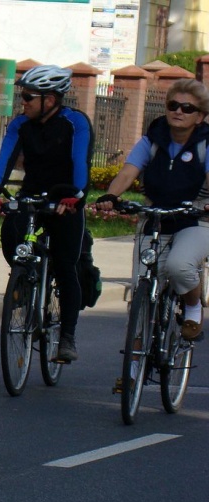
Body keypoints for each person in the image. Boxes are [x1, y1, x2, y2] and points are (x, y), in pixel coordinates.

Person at [0, 64, 94, 362]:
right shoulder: (20, 124)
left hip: (65, 199)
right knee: (11, 235)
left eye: (29, 97)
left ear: (51, 99)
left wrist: (75, 195)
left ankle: (67, 337)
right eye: (23, 96)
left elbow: (81, 163)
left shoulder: (75, 122)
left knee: (66, 264)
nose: (24, 102)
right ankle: (26, 276)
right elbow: (4, 158)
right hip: (32, 194)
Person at [96, 78, 209, 340]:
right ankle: (132, 372)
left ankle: (192, 306)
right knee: (141, 294)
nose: (178, 111)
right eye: (173, 105)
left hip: (196, 218)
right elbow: (128, 172)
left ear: (200, 116)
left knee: (179, 266)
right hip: (155, 216)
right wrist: (111, 196)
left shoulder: (205, 144)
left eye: (187, 108)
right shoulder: (153, 139)